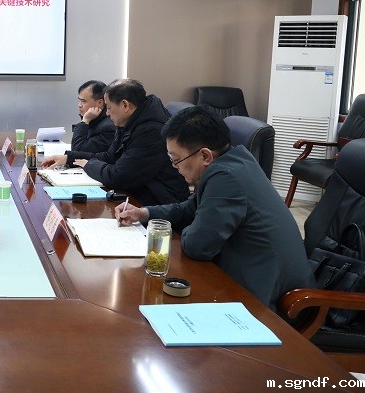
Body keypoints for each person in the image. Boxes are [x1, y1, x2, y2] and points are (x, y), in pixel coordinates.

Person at [116, 107, 315, 310]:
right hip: (253, 281)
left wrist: (192, 227)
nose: (175, 167)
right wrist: (144, 213)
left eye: (176, 160)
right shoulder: (236, 160)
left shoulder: (226, 178)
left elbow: (198, 246)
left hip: (270, 303)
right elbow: (189, 209)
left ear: (205, 155)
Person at [42, 78, 188, 206]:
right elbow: (110, 156)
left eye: (109, 107)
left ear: (125, 105)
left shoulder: (151, 130)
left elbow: (119, 176)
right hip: (138, 192)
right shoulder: (130, 120)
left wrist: (88, 164)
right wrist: (69, 158)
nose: (106, 113)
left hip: (159, 201)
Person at [43, 80, 115, 165]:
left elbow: (77, 151)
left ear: (100, 103)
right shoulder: (95, 119)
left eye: (84, 101)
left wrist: (85, 121)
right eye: (79, 100)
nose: (79, 105)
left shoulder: (108, 127)